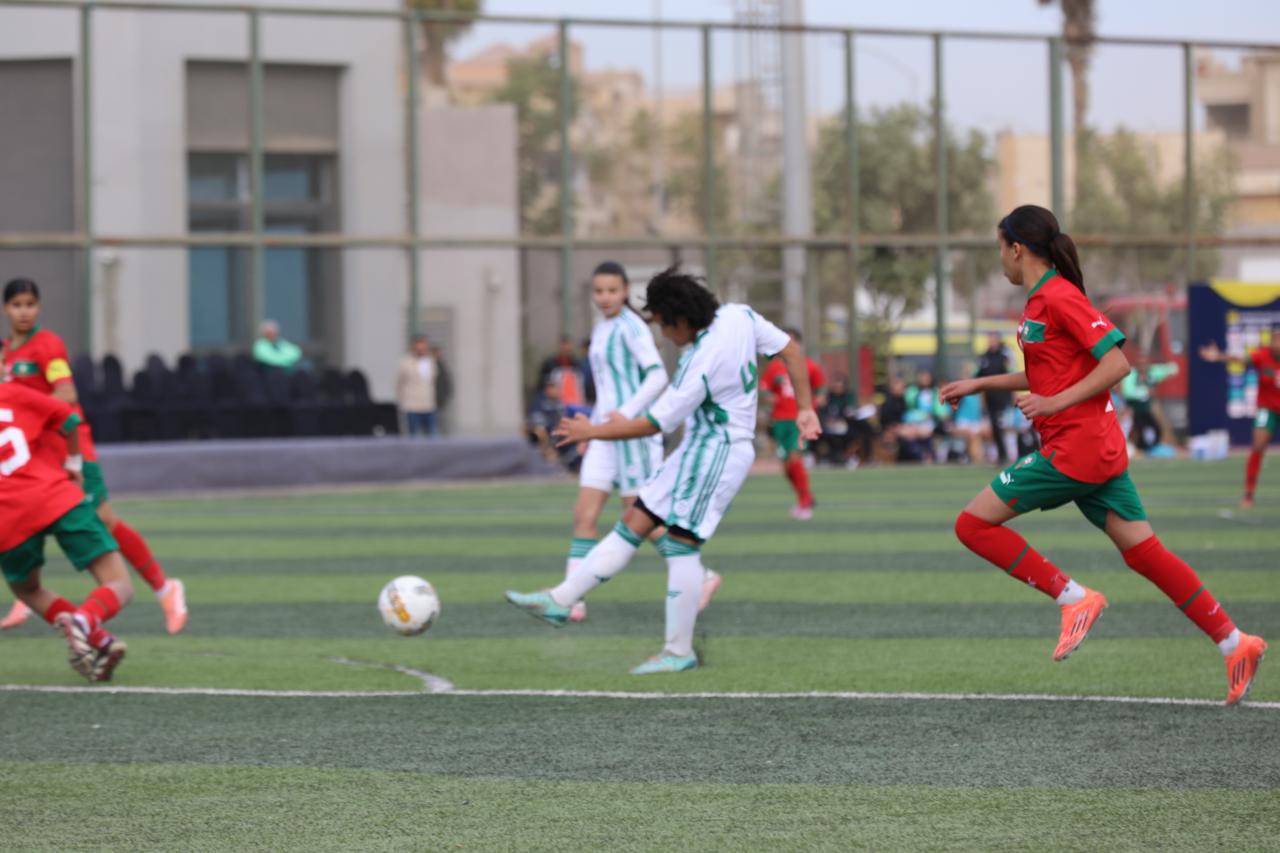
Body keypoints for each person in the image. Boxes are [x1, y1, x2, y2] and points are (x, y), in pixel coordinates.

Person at [941, 204, 1265, 706]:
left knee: (972, 525)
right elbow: (1050, 372)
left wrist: (1054, 404)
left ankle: (1074, 597)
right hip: (1093, 449)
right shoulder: (1039, 302)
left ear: (1017, 249)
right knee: (1145, 554)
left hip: (1077, 450)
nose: (999, 258)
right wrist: (981, 383)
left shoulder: (1058, 297)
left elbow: (1116, 364)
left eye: (999, 249)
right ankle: (1234, 642)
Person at [505, 267, 820, 674]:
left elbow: (653, 424)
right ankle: (561, 600)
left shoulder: (699, 362)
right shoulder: (738, 314)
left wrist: (591, 431)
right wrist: (806, 408)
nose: (664, 335)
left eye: (664, 326)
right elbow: (790, 349)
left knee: (683, 545)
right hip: (699, 446)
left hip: (719, 452)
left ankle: (678, 651)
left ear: (682, 320)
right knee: (634, 521)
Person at [0, 279, 186, 634]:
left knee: (103, 519)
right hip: (35, 455)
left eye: (30, 304)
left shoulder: (47, 345)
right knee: (29, 514)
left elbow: (66, 393)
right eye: (16, 305)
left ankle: (165, 588)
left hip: (69, 445)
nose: (24, 311)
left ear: (39, 307)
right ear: (6, 309)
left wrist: (28, 407)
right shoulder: (7, 350)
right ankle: (28, 598)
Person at [566, 261, 722, 623]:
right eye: (598, 291)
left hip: (630, 434)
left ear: (624, 292)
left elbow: (657, 377)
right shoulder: (601, 329)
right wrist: (590, 431)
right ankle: (572, 598)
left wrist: (626, 413)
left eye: (612, 290)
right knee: (583, 514)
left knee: (640, 517)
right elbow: (606, 387)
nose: (605, 297)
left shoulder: (631, 327)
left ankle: (701, 576)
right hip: (605, 435)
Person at [0, 374, 132, 682]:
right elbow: (68, 418)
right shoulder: (14, 393)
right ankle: (85, 624)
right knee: (119, 583)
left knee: (27, 589)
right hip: (54, 495)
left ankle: (99, 640)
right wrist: (74, 464)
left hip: (7, 516)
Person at [1199, 327, 1280, 508]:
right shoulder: (1262, 355)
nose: (1277, 343)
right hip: (1267, 408)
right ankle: (1249, 493)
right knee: (1258, 446)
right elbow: (1239, 359)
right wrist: (1218, 356)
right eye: (1275, 339)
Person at [761, 328, 826, 519]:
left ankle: (805, 502)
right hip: (780, 420)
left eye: (793, 341)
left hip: (799, 419)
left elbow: (821, 388)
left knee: (795, 458)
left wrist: (815, 403)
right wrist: (769, 396)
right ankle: (806, 497)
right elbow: (764, 388)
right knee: (786, 467)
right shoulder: (774, 367)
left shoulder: (810, 366)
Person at [1120, 358, 1179, 455]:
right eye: (1140, 365)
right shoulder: (1131, 375)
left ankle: (1151, 447)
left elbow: (1172, 368)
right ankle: (1138, 448)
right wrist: (1145, 392)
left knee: (1156, 428)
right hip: (1133, 409)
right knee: (1135, 429)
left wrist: (1170, 370)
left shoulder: (1151, 373)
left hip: (1146, 410)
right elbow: (1128, 392)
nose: (1143, 367)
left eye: (1145, 365)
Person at [976, 332, 1014, 463]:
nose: (991, 341)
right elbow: (979, 377)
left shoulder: (1004, 356)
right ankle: (1001, 455)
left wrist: (1013, 396)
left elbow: (1011, 375)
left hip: (1003, 398)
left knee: (1005, 426)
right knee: (995, 427)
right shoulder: (984, 357)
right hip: (990, 399)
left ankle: (1011, 453)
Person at [396, 334, 441, 437]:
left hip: (428, 405)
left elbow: (435, 381)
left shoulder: (430, 361)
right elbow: (399, 384)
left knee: (433, 435)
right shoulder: (406, 362)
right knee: (413, 436)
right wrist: (402, 401)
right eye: (419, 344)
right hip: (412, 406)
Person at [537, 336, 590, 411]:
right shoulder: (550, 364)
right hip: (555, 403)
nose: (566, 349)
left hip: (575, 403)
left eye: (568, 347)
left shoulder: (577, 365)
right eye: (564, 346)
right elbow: (543, 383)